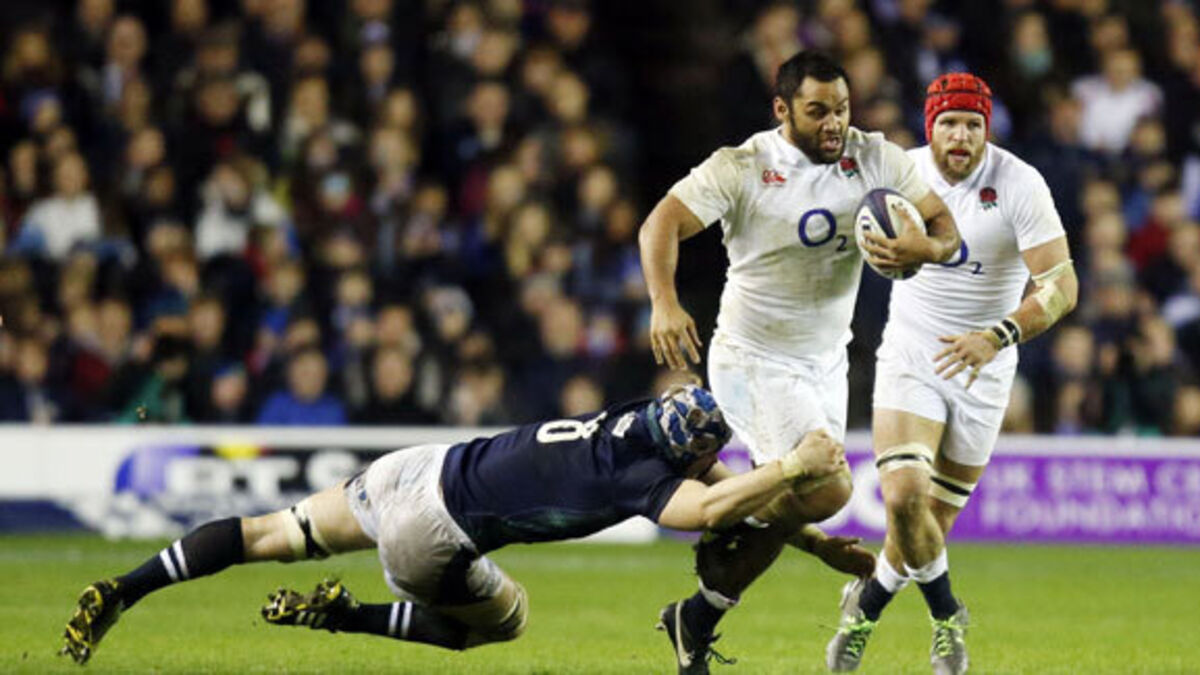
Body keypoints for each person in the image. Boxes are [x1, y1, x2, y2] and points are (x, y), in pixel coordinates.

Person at [60, 384, 866, 665]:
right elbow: (714, 506)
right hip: (434, 531)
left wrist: (813, 542)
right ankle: (348, 615)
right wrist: (797, 466)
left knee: (270, 532)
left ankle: (126, 587)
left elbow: (716, 483)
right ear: (697, 448)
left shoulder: (634, 422)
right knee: (503, 621)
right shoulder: (642, 479)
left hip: (416, 467)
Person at [639, 51, 961, 673]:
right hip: (753, 358)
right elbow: (660, 224)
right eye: (818, 111)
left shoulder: (874, 157)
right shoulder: (743, 166)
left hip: (824, 362)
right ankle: (730, 520)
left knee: (803, 494)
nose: (834, 123)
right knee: (828, 483)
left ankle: (698, 614)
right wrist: (663, 302)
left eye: (842, 108)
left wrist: (926, 247)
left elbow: (946, 228)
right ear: (783, 110)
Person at [824, 73, 1077, 675]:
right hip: (911, 355)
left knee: (927, 527)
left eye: (972, 124)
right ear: (929, 126)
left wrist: (997, 335)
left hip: (985, 368)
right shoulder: (901, 176)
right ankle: (947, 619)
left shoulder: (1019, 183)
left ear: (987, 129)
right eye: (949, 123)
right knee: (903, 496)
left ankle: (866, 608)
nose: (961, 136)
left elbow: (1062, 285)